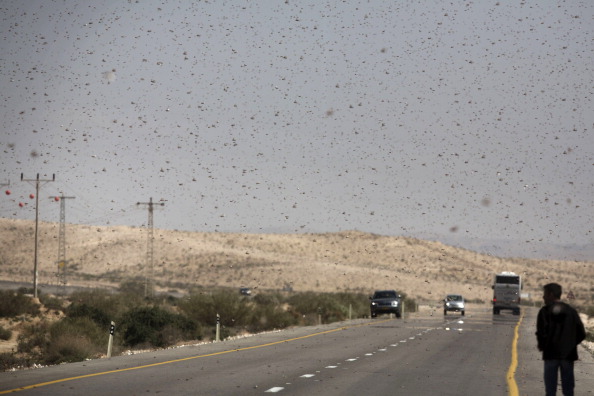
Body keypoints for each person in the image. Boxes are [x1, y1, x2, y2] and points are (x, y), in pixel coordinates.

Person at [536, 283, 586, 396]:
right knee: (568, 390)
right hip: (568, 356)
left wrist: (543, 345)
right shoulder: (571, 312)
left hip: (550, 355)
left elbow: (541, 333)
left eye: (545, 294)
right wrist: (571, 344)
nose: (543, 297)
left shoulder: (544, 312)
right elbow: (582, 333)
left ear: (551, 294)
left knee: (550, 390)